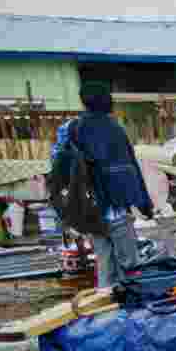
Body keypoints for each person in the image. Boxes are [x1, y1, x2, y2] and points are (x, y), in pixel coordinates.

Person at [50, 81, 154, 287]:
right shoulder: (113, 129)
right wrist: (144, 203)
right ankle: (130, 308)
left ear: (84, 102)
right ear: (107, 101)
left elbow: (58, 164)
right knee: (130, 266)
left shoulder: (72, 128)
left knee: (105, 263)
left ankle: (106, 307)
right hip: (116, 208)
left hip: (91, 209)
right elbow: (129, 168)